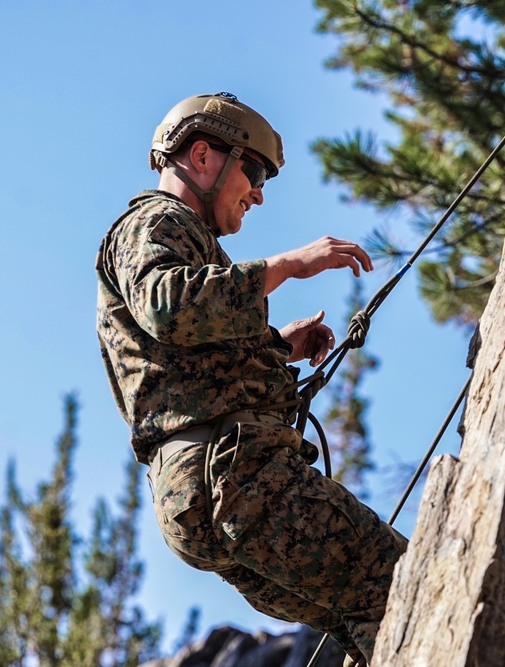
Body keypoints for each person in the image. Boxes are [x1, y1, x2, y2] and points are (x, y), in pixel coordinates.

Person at [95, 92, 407, 665]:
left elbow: (184, 354)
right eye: (255, 170)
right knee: (403, 584)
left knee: (364, 618)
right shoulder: (155, 221)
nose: (258, 192)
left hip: (207, 493)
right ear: (205, 156)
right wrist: (287, 265)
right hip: (235, 474)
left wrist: (274, 348)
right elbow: (171, 306)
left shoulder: (188, 241)